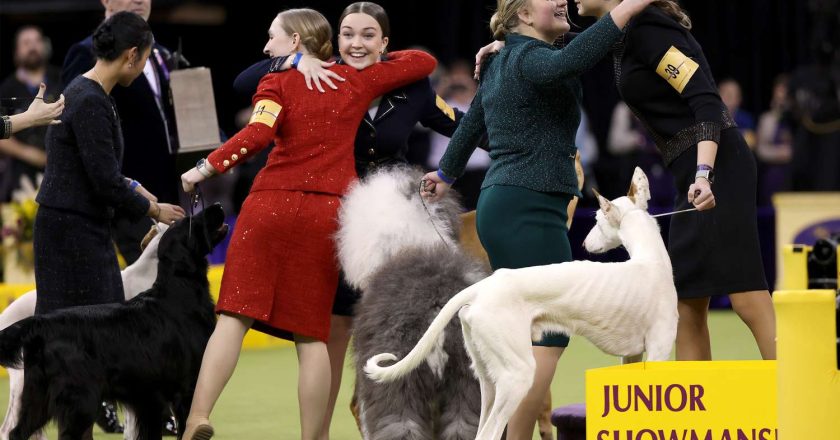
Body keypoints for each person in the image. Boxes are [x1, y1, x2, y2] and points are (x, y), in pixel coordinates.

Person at [178, 8, 436, 440]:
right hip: (326, 216)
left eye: (273, 39)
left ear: (295, 42)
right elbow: (423, 62)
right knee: (311, 336)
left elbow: (257, 135)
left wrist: (204, 167)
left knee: (233, 318)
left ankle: (196, 418)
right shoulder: (357, 80)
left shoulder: (274, 80)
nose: (266, 48)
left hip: (269, 207)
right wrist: (336, 56)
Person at [231, 3, 484, 436]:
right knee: (331, 330)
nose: (357, 44)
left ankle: (394, 427)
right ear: (336, 39)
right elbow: (243, 82)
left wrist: (520, 149)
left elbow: (462, 129)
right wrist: (295, 58)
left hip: (393, 226)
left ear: (385, 43)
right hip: (329, 221)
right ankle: (319, 432)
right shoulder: (315, 75)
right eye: (348, 34)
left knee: (396, 329)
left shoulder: (413, 88)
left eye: (369, 35)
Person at [420, 0, 654, 438]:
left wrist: (446, 172)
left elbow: (472, 125)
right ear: (525, 15)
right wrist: (629, 6)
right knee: (549, 333)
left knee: (528, 334)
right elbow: (573, 58)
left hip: (508, 203)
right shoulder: (527, 57)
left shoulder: (506, 57)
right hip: (528, 207)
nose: (563, 1)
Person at [575, 0, 776, 361]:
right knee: (687, 298)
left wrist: (704, 173)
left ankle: (800, 399)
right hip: (692, 173)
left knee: (745, 292)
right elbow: (573, 47)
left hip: (717, 168)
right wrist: (511, 45)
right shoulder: (624, 34)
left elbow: (705, 99)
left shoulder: (649, 29)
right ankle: (698, 415)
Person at [33, 15, 184, 440]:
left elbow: (95, 170)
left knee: (81, 344)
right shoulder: (92, 99)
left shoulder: (86, 91)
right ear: (131, 56)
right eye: (146, 58)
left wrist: (136, 188)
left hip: (73, 227)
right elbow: (102, 179)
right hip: (72, 236)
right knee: (84, 344)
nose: (145, 66)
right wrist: (153, 211)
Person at [62, 0, 181, 265]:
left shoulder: (162, 53)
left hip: (159, 189)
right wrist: (129, 189)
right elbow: (75, 130)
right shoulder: (85, 58)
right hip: (118, 200)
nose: (139, 0)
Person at [0, 26, 64, 202]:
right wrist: (32, 155)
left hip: (62, 168)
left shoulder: (61, 78)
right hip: (22, 174)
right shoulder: (6, 88)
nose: (33, 47)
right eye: (26, 43)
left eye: (37, 41)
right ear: (16, 52)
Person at [755, 74, 793, 205]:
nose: (781, 101)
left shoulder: (799, 121)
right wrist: (779, 153)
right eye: (779, 97)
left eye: (785, 98)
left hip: (792, 175)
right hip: (772, 176)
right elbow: (761, 150)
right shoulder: (767, 119)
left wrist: (792, 153)